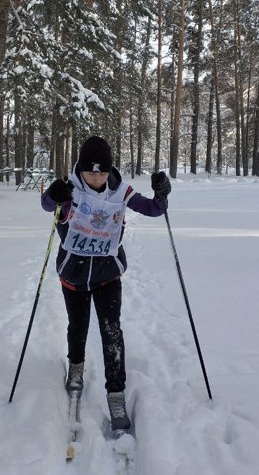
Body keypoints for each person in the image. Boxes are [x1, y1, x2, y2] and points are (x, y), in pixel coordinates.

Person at [41, 135, 171, 430]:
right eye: (90, 171)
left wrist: (162, 194)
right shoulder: (69, 190)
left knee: (112, 332)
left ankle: (115, 392)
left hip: (107, 275)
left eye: (101, 171)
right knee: (77, 326)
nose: (96, 177)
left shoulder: (121, 192)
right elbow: (46, 205)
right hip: (73, 274)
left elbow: (153, 209)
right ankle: (76, 368)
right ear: (81, 169)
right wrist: (53, 193)